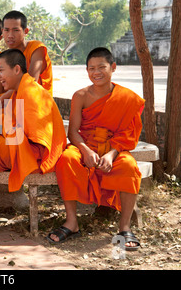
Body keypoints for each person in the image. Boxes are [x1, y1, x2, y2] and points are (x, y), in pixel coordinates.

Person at [47, 47, 145, 251]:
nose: (96, 72)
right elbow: (73, 132)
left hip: (113, 147)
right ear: (87, 70)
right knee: (67, 159)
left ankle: (124, 226)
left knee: (128, 165)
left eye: (102, 67)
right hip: (87, 145)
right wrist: (85, 150)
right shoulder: (80, 95)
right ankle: (71, 223)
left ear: (113, 67)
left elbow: (127, 134)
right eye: (91, 68)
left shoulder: (127, 98)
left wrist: (111, 154)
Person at [0, 49, 67, 192]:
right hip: (22, 146)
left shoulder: (31, 92)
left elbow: (37, 140)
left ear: (17, 69)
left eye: (1, 71)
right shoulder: (22, 89)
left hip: (35, 156)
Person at [2, 10, 53, 95]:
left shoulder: (36, 48)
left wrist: (1, 99)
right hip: (16, 99)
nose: (10, 35)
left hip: (36, 101)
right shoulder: (7, 56)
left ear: (25, 31)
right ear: (2, 31)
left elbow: (31, 81)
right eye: (6, 30)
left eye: (16, 30)